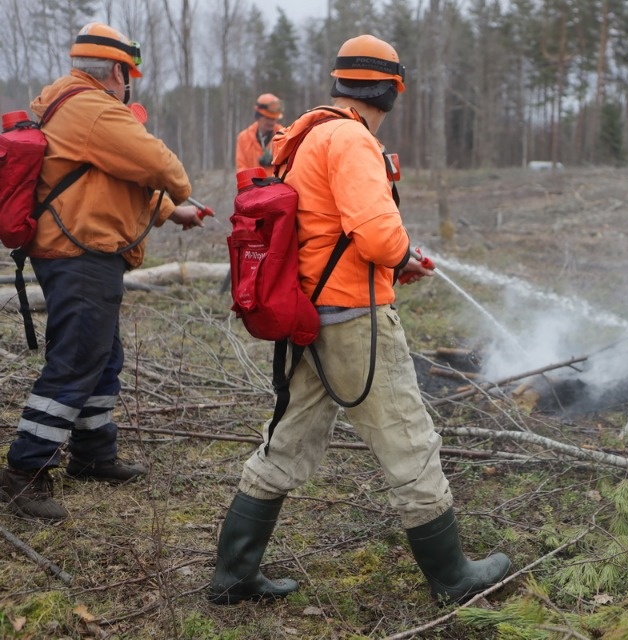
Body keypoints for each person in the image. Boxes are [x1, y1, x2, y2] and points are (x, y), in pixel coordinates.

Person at [208, 34, 510, 606]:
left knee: (286, 440)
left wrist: (397, 259)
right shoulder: (351, 138)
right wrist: (402, 256)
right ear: (391, 88)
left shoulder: (309, 134)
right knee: (409, 440)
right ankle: (451, 576)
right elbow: (374, 233)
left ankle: (233, 574)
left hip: (310, 318)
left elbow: (331, 229)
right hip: (352, 321)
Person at [0, 22, 207, 521]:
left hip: (84, 248)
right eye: (128, 74)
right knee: (76, 361)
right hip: (80, 253)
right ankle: (24, 471)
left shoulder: (72, 107)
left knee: (101, 356)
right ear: (118, 70)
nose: (128, 82)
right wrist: (180, 188)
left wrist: (168, 212)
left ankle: (93, 455)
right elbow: (153, 161)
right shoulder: (92, 108)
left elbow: (102, 180)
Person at [235, 93, 283, 172]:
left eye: (274, 119)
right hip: (252, 184)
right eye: (268, 118)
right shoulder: (243, 138)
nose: (271, 122)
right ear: (258, 116)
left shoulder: (284, 136)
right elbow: (241, 168)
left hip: (276, 184)